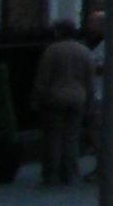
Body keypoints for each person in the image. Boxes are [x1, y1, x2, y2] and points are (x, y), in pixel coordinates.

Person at [33, 20, 95, 185]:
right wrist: (90, 103)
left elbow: (42, 78)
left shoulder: (52, 51)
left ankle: (51, 174)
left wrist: (36, 99)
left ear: (58, 32)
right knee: (71, 138)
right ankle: (70, 173)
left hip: (54, 98)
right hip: (77, 98)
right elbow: (90, 80)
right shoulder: (84, 51)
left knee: (53, 138)